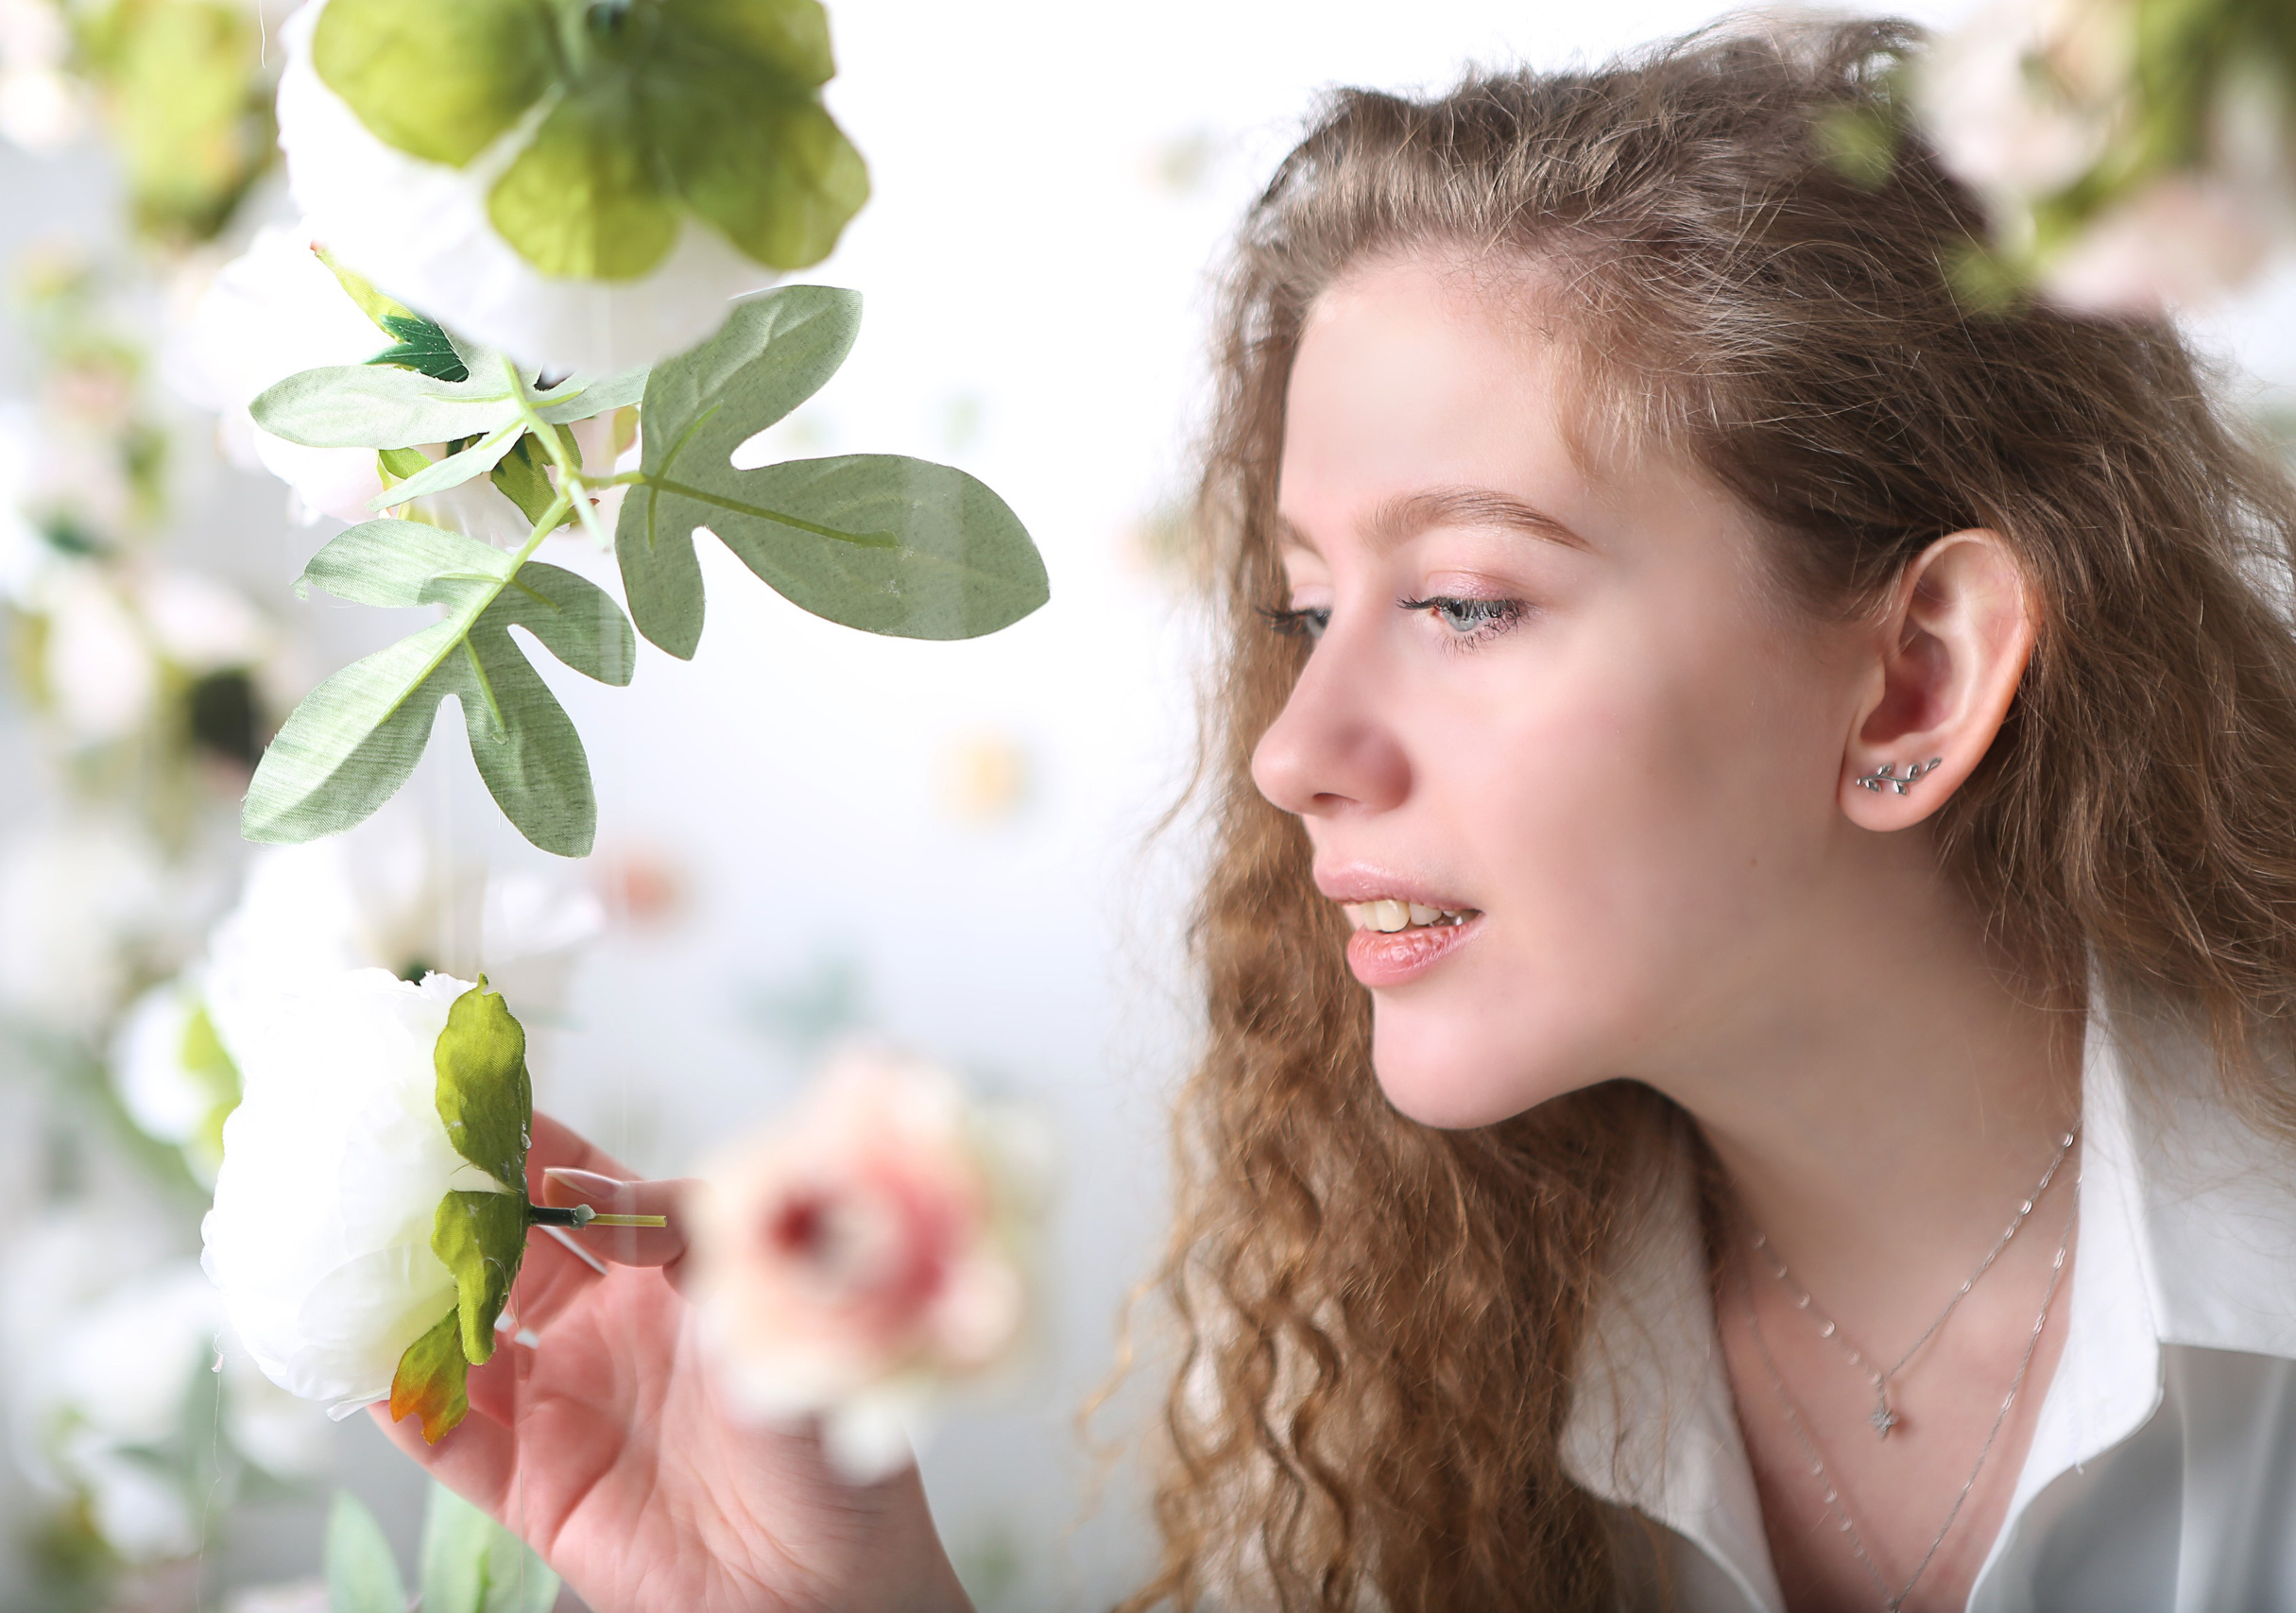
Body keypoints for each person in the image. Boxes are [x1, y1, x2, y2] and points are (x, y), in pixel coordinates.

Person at [378, 19, 2296, 1612]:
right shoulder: (1405, 1343)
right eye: (1305, 611)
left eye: (1464, 600)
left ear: (1911, 680)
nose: (1296, 747)